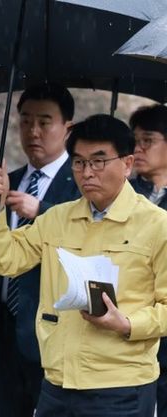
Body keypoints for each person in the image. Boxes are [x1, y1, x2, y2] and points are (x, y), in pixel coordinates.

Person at [0, 114, 167, 417]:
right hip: (57, 382)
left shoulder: (158, 225)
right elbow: (5, 260)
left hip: (121, 387)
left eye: (99, 161)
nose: (87, 172)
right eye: (79, 162)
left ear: (128, 164)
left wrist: (127, 324)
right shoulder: (57, 218)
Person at [0, 83, 79, 417]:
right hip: (1, 329)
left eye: (44, 122)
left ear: (67, 128)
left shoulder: (80, 183)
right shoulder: (6, 182)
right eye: (25, 121)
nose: (33, 131)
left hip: (52, 331)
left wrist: (41, 210)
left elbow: (86, 238)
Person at [128, 104, 167, 417]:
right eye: (135, 141)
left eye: (148, 140)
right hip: (131, 322)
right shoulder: (123, 192)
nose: (138, 149)